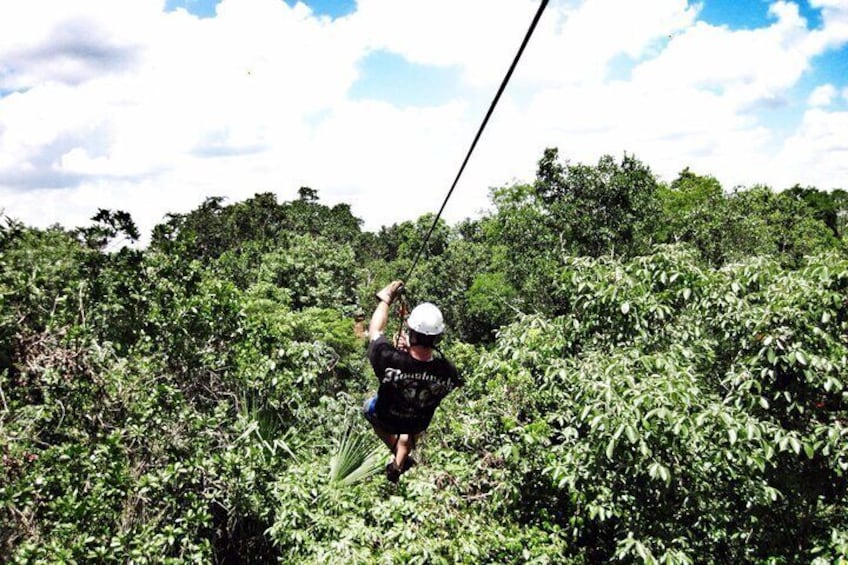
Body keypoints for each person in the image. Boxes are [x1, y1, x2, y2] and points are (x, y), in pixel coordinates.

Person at [363, 280, 462, 483]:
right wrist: (409, 351)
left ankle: (397, 448)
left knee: (368, 407)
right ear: (437, 338)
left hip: (386, 418)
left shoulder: (388, 358)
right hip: (417, 422)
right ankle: (400, 458)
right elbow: (429, 370)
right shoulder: (447, 371)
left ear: (411, 332)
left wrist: (386, 299)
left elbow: (375, 331)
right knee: (413, 418)